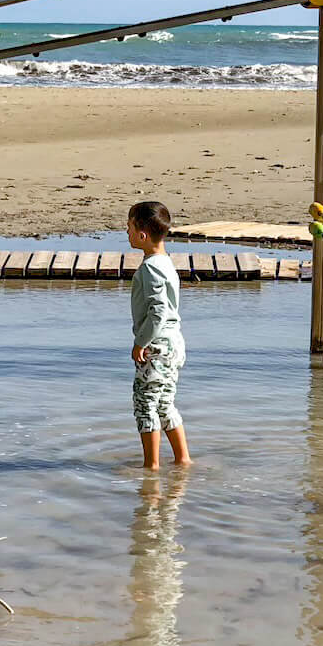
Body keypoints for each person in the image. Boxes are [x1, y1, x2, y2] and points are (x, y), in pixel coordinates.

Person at [127, 200, 191, 470]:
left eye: (129, 228)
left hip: (157, 346)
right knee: (164, 403)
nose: (127, 233)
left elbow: (158, 312)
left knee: (145, 404)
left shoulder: (151, 268)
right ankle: (182, 460)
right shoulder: (165, 262)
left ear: (142, 235)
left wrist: (141, 342)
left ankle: (151, 467)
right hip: (173, 343)